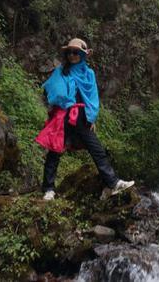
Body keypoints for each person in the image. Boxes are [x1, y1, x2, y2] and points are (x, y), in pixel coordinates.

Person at [36, 38, 134, 201]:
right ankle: (48, 189)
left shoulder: (89, 74)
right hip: (63, 114)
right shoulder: (61, 71)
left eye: (76, 52)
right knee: (55, 150)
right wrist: (61, 103)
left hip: (80, 116)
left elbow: (92, 97)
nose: (73, 55)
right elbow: (51, 90)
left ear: (83, 55)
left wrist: (91, 118)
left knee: (96, 149)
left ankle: (113, 183)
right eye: (70, 52)